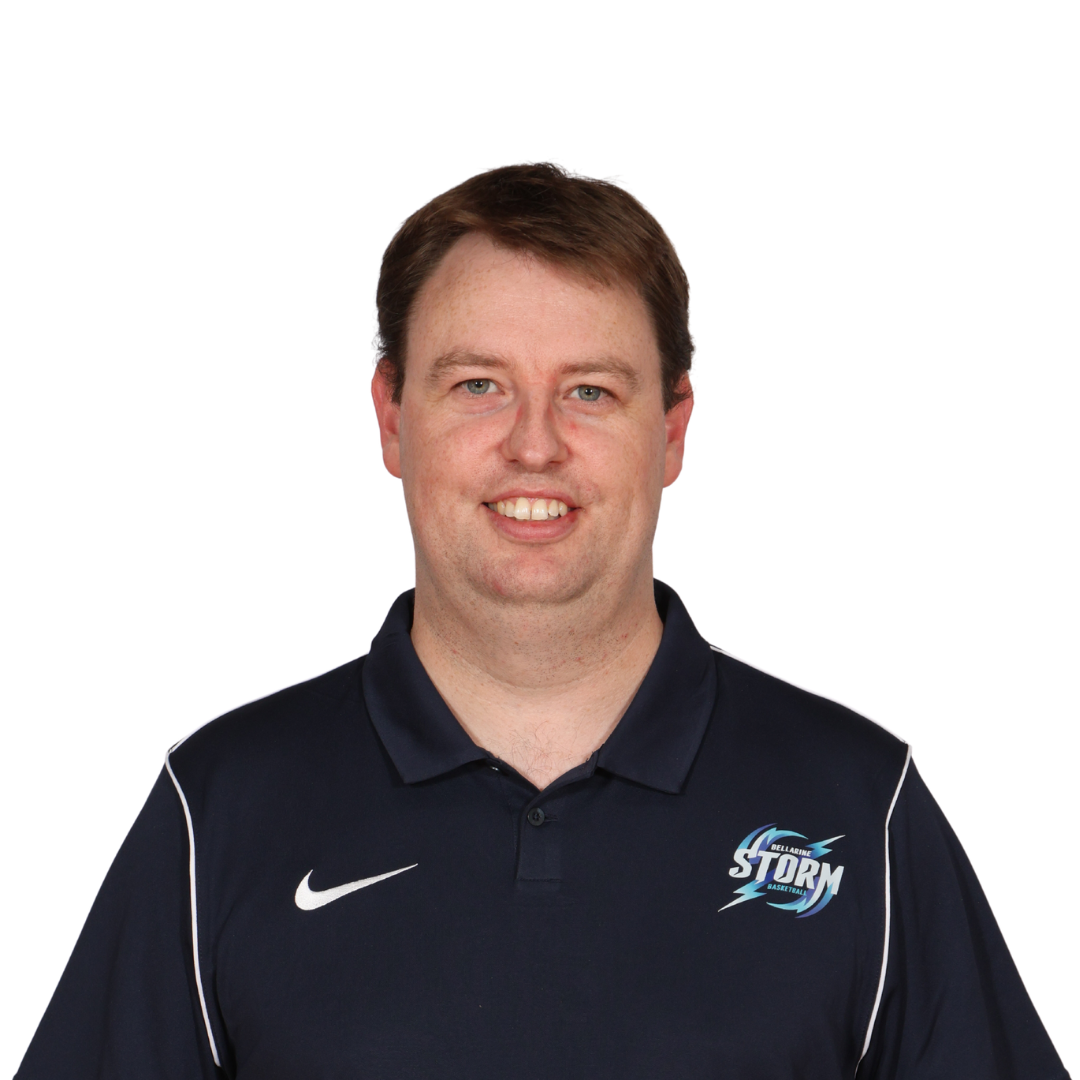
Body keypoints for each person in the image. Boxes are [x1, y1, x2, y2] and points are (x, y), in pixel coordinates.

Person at [17, 163, 1068, 1079]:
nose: (534, 446)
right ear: (392, 417)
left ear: (672, 430)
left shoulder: (858, 808)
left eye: (591, 393)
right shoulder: (219, 810)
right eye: (479, 384)